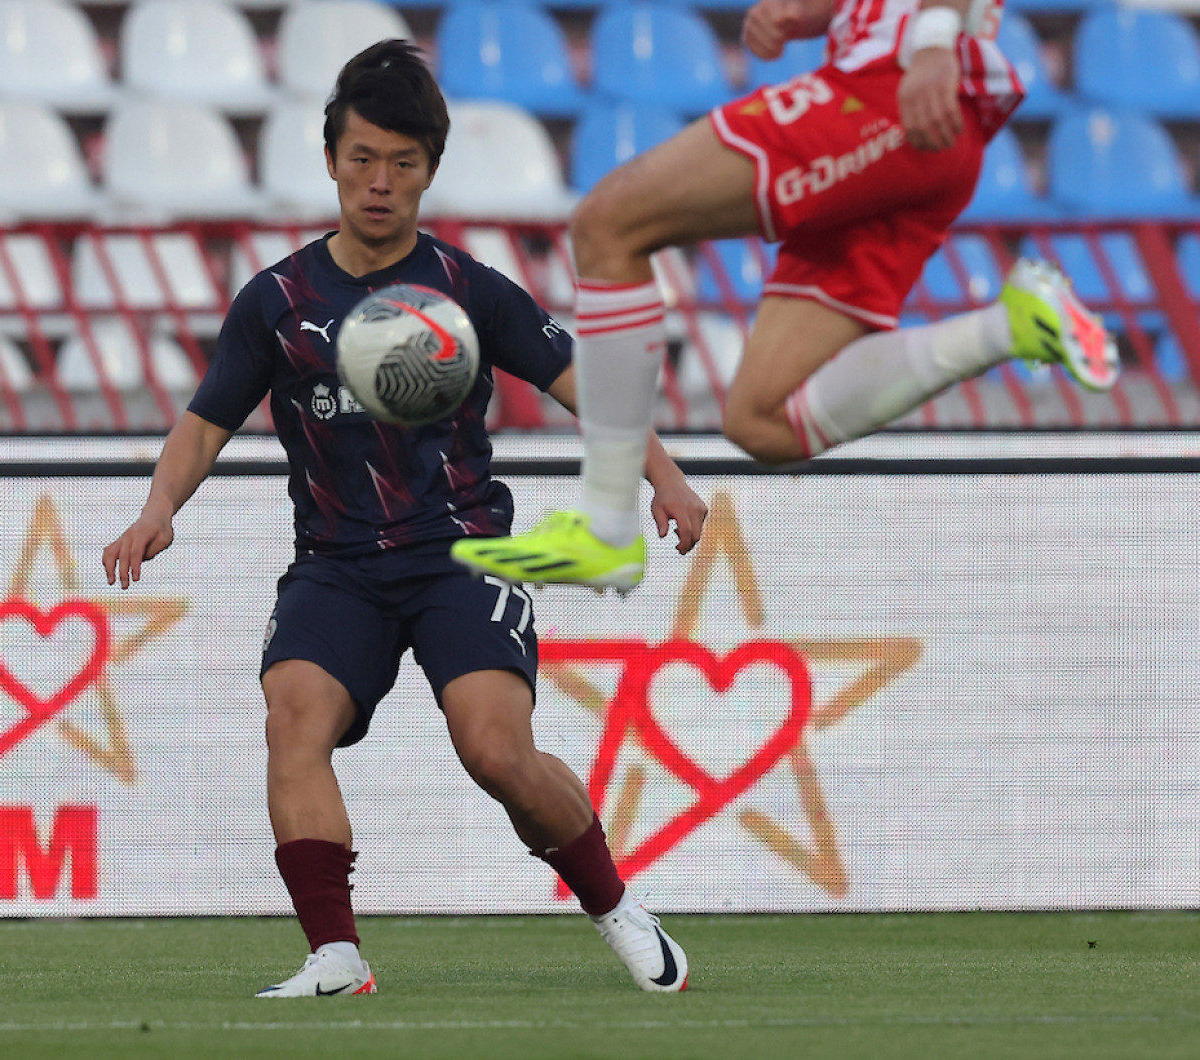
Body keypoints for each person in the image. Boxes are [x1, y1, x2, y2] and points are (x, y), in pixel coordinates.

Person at [101, 41, 709, 998]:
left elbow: (582, 385)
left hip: (460, 553)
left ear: (429, 169)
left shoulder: (467, 289)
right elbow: (206, 418)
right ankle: (336, 955)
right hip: (336, 566)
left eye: (403, 163)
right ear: (332, 160)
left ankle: (616, 907)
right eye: (362, 159)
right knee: (292, 719)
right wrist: (157, 508)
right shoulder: (278, 303)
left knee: (496, 753)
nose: (380, 183)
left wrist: (663, 478)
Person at [451, 0, 1119, 593]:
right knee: (761, 422)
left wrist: (938, 42)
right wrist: (812, 13)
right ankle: (1008, 327)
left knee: (608, 221)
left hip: (892, 93)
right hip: (917, 123)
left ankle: (605, 522)